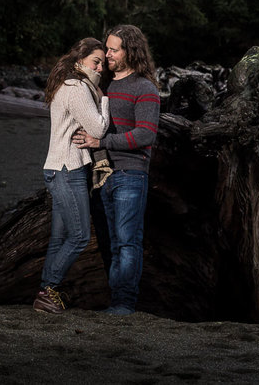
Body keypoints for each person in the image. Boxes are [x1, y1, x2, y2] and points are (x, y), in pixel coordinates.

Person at [74, 24, 160, 315]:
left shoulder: (144, 88)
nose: (107, 54)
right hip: (100, 175)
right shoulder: (104, 84)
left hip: (130, 175)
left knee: (127, 242)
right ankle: (115, 301)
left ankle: (124, 303)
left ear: (130, 51)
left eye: (113, 49)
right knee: (110, 243)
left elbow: (146, 135)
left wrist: (102, 140)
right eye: (107, 48)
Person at [33, 37, 110, 314]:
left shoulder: (70, 84)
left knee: (59, 238)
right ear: (80, 61)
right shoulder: (77, 88)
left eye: (103, 63)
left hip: (59, 169)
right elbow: (99, 129)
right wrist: (105, 101)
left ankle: (46, 293)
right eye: (95, 62)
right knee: (78, 236)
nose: (100, 67)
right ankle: (47, 289)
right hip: (68, 170)